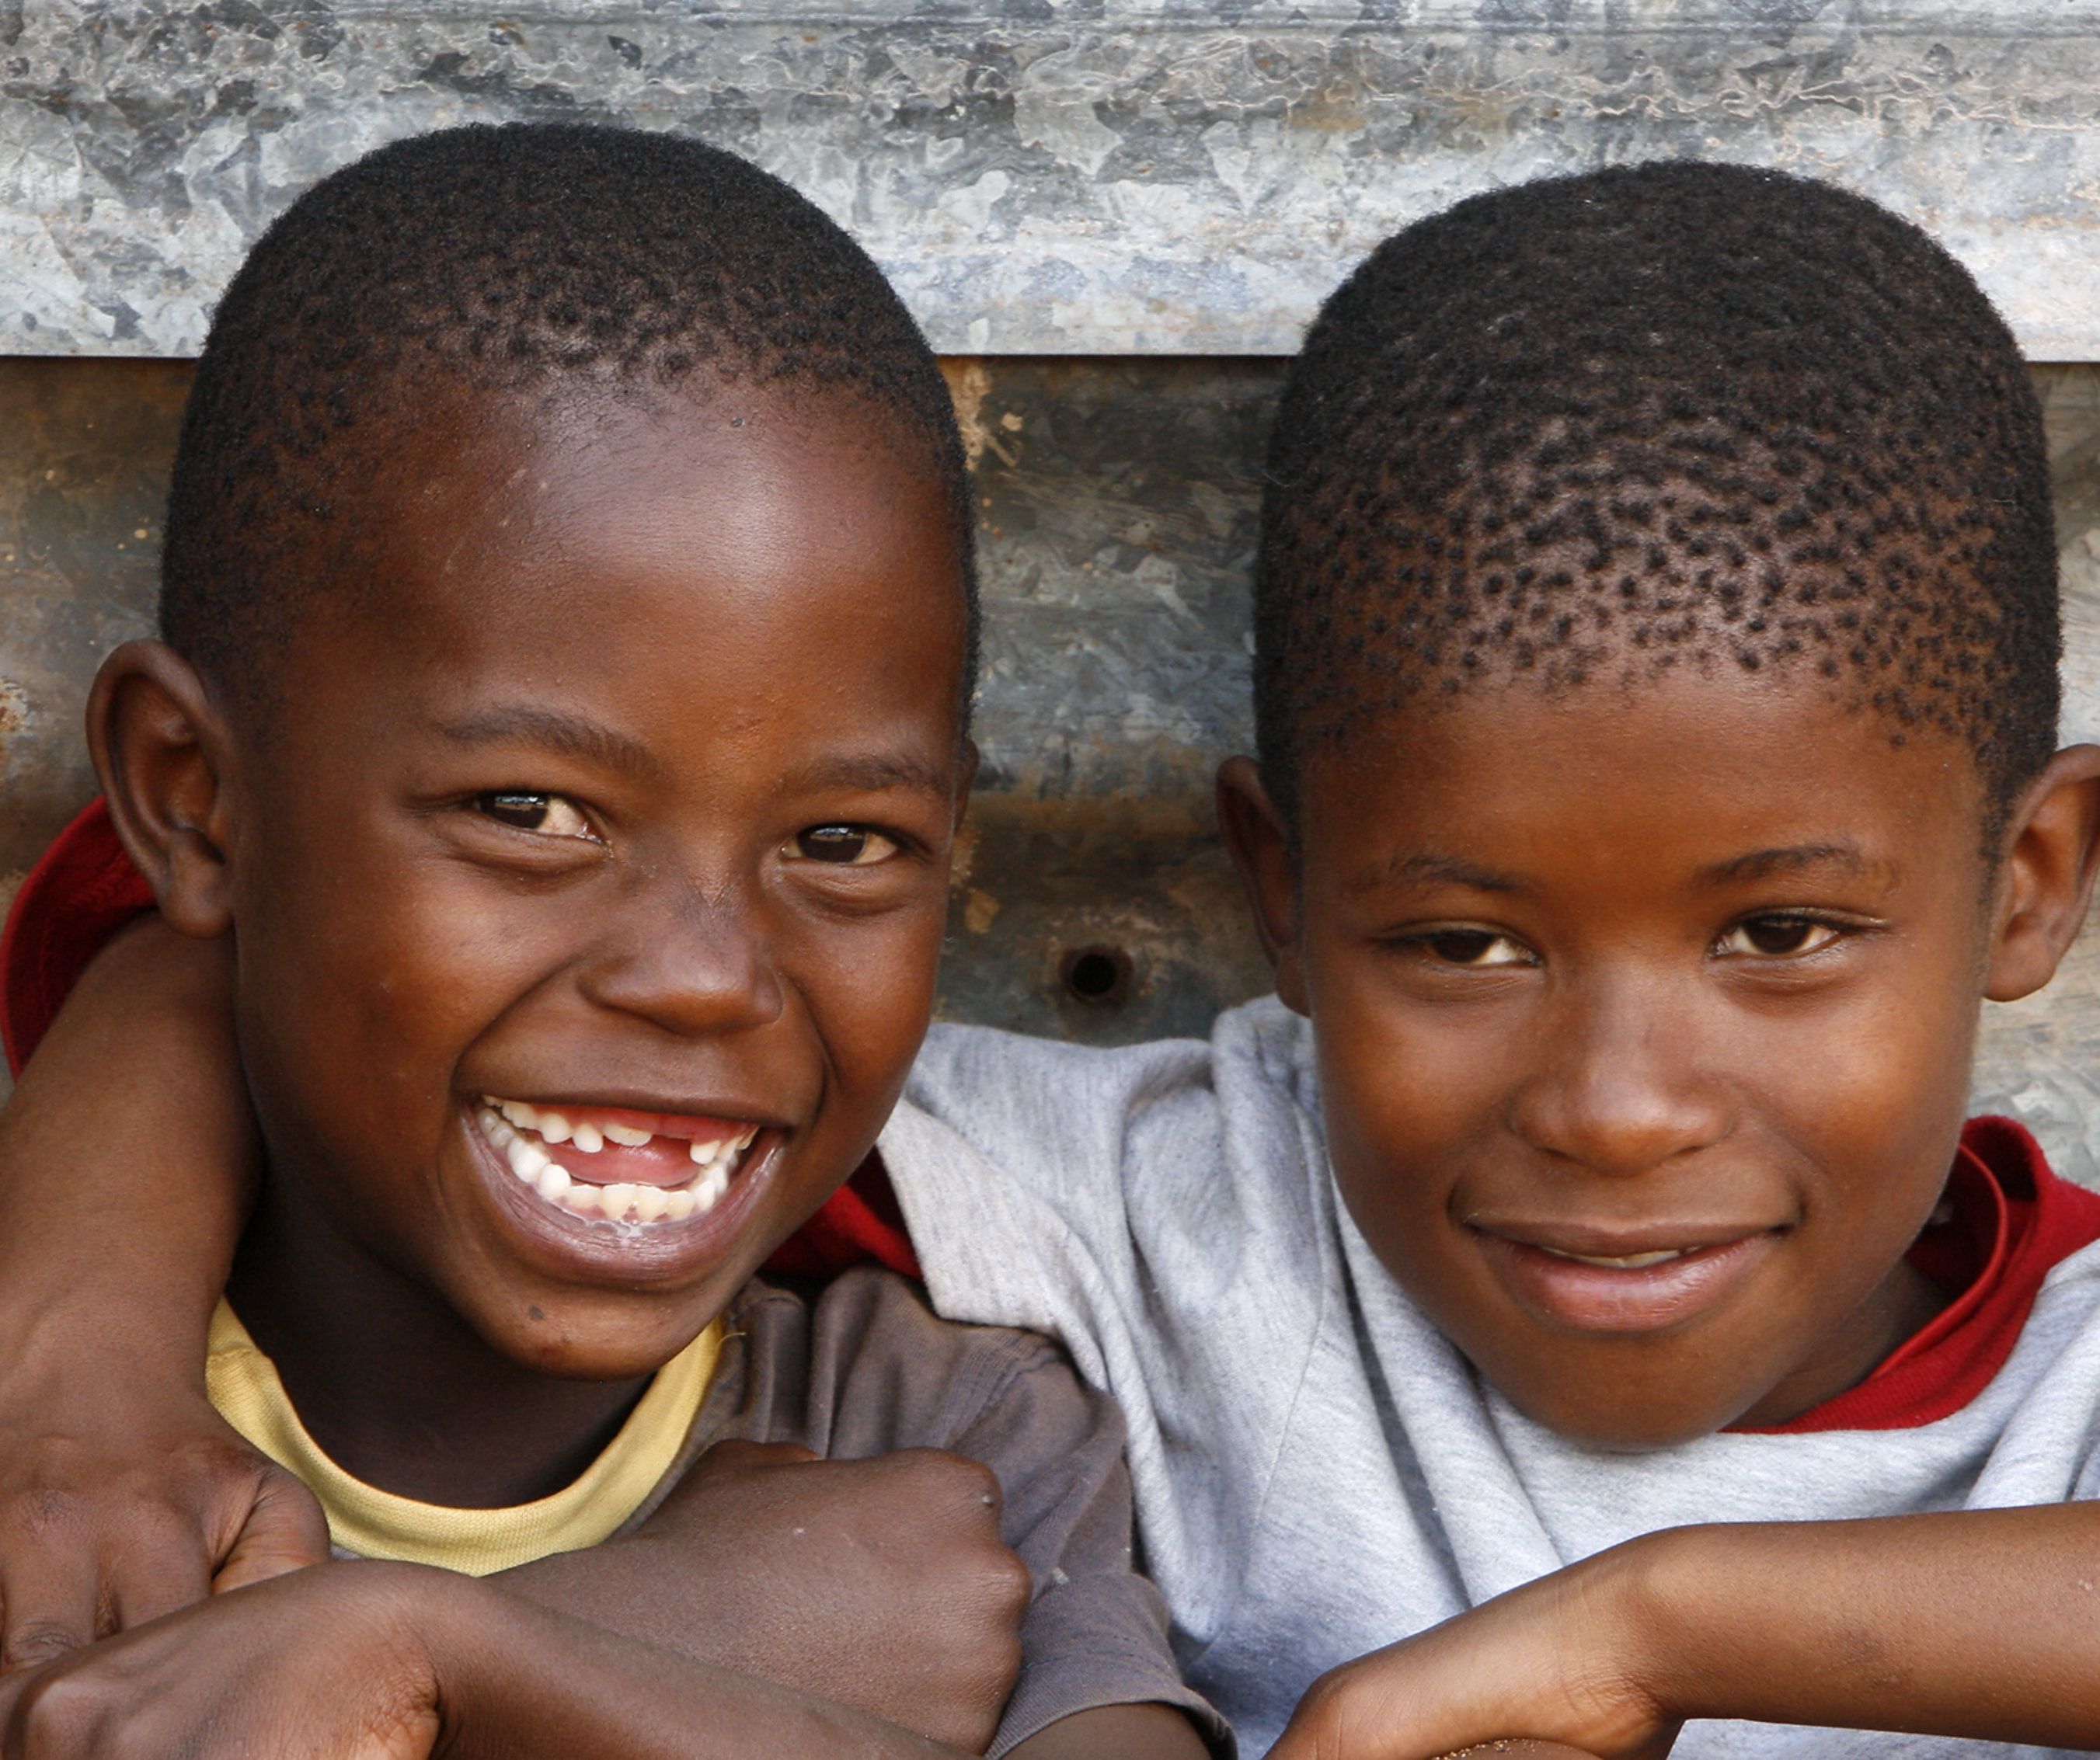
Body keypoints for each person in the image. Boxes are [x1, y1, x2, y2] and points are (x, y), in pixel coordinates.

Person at [7, 158, 2098, 1760]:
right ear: (1275, 892)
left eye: (1785, 933)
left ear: (2035, 881)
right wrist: (77, 1362)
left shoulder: (2071, 1374)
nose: (1622, 1102)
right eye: (1462, 940)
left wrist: (1657, 1625)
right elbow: (270, 952)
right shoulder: (1174, 1216)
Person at [0, 121, 1222, 1760]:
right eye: (532, 810)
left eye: (841, 843)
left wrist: (439, 1653)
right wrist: (616, 1658)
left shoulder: (945, 1449)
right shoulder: (49, 1458)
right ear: (194, 796)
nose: (707, 973)